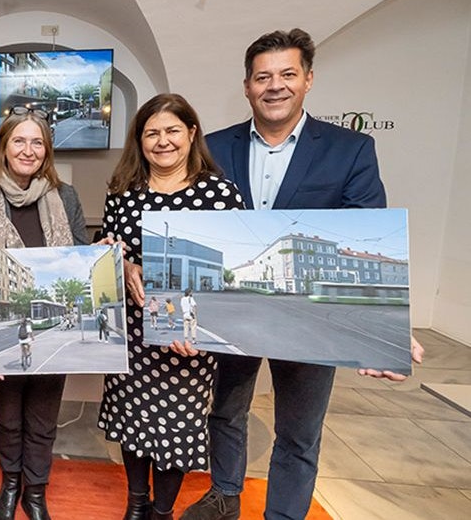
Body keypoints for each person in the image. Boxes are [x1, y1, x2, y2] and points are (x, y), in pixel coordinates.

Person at [181, 29, 421, 520]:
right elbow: (186, 219)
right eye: (263, 77)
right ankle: (225, 495)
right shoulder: (212, 147)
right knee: (225, 412)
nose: (275, 86)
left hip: (308, 319)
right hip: (235, 310)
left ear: (308, 80)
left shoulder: (349, 148)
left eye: (288, 74)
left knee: (299, 429)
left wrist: (382, 327)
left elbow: (366, 227)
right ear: (247, 86)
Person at [97, 93, 245, 520]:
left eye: (172, 131)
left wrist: (202, 330)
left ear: (191, 133)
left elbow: (231, 270)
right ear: (140, 141)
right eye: (152, 133)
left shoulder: (219, 194)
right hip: (133, 333)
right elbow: (107, 248)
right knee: (132, 421)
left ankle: (161, 511)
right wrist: (123, 264)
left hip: (188, 342)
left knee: (175, 429)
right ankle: (136, 503)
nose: (163, 141)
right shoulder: (124, 191)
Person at [0, 106, 89, 520]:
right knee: (9, 415)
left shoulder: (65, 197)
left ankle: (35, 490)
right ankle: (10, 481)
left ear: (46, 150)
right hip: (5, 329)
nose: (28, 150)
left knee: (43, 415)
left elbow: (81, 254)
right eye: (19, 140)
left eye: (37, 142)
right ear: (4, 147)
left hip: (49, 332)